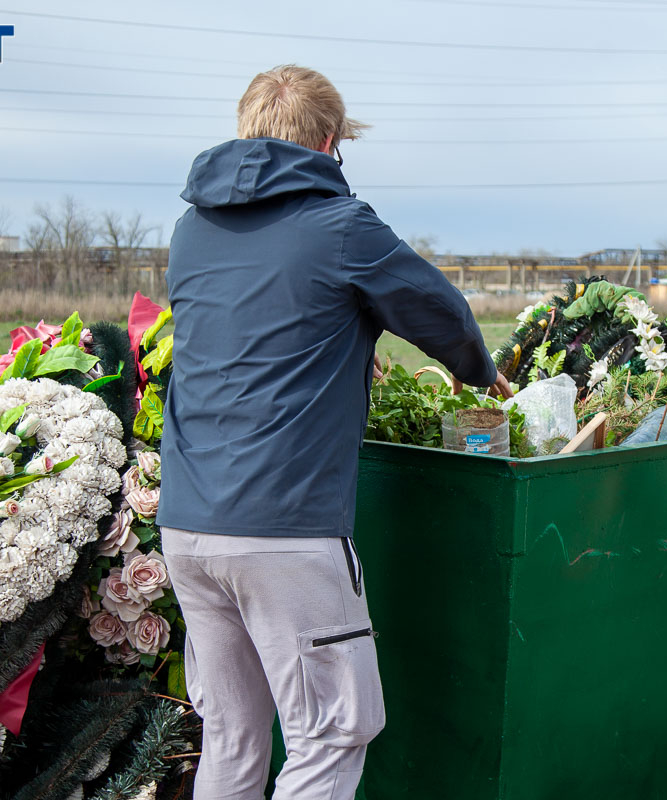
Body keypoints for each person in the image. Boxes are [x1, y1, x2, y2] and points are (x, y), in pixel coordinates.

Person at [156, 64, 512, 800]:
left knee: (231, 733)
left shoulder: (191, 230)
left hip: (189, 526)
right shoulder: (341, 225)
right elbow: (437, 310)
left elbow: (260, 327)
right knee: (331, 731)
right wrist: (482, 373)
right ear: (328, 142)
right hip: (284, 531)